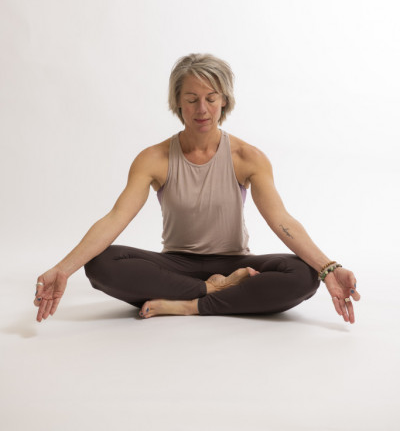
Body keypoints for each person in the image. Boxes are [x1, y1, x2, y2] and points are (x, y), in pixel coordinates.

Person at [34, 53, 361, 323]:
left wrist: (328, 268)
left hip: (235, 263)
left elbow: (282, 220)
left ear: (224, 101)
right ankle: (212, 292)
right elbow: (115, 219)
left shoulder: (248, 157)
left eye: (210, 98)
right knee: (101, 264)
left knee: (303, 274)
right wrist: (63, 270)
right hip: (176, 265)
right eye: (191, 100)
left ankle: (189, 305)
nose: (202, 109)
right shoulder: (154, 158)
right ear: (178, 102)